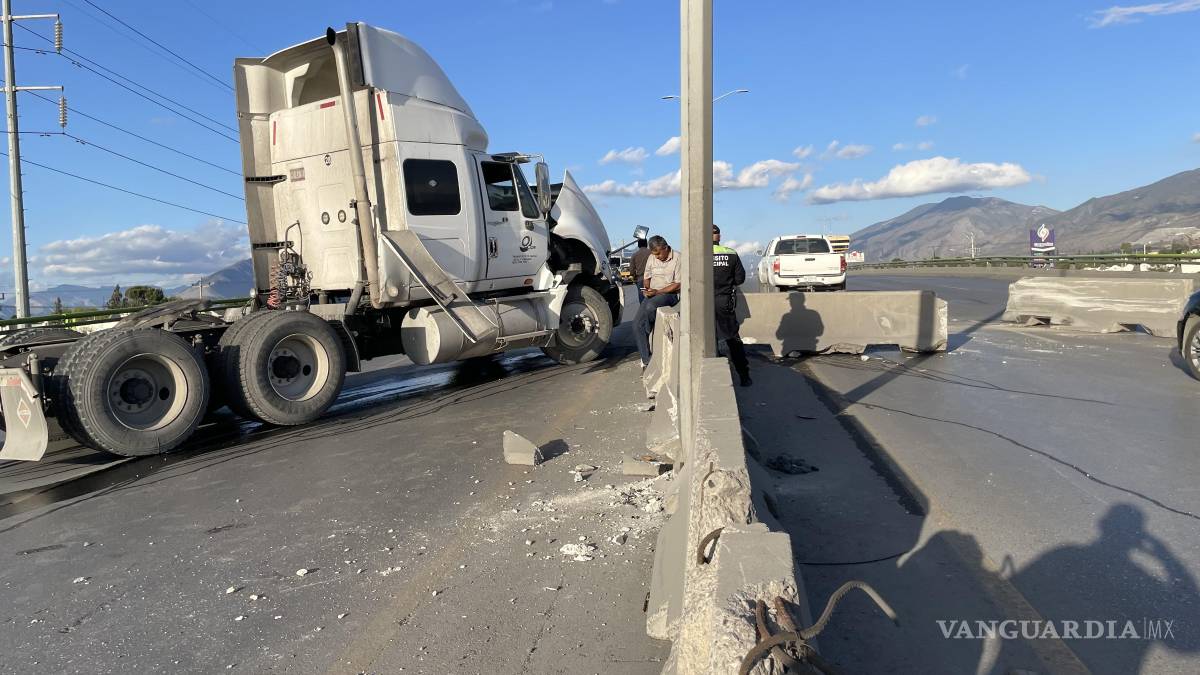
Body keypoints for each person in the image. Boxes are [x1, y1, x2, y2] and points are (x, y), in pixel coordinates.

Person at [712, 225, 751, 386]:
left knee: (707, 337)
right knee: (732, 338)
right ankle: (744, 376)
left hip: (702, 302)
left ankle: (712, 377)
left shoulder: (697, 254)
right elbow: (740, 279)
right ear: (719, 237)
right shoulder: (731, 253)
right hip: (724, 300)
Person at [634, 235, 680, 368]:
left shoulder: (677, 258)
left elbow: (678, 284)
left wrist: (657, 292)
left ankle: (649, 330)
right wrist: (645, 290)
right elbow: (646, 278)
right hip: (652, 294)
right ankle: (646, 360)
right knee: (636, 324)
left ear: (665, 248)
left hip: (669, 294)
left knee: (651, 306)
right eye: (655, 254)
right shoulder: (651, 258)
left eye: (659, 253)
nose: (658, 257)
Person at [629, 238, 652, 303]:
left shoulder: (634, 255)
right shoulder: (652, 253)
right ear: (646, 244)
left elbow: (631, 270)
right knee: (652, 296)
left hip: (641, 281)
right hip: (652, 279)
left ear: (638, 245)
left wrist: (633, 276)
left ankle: (644, 310)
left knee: (642, 297)